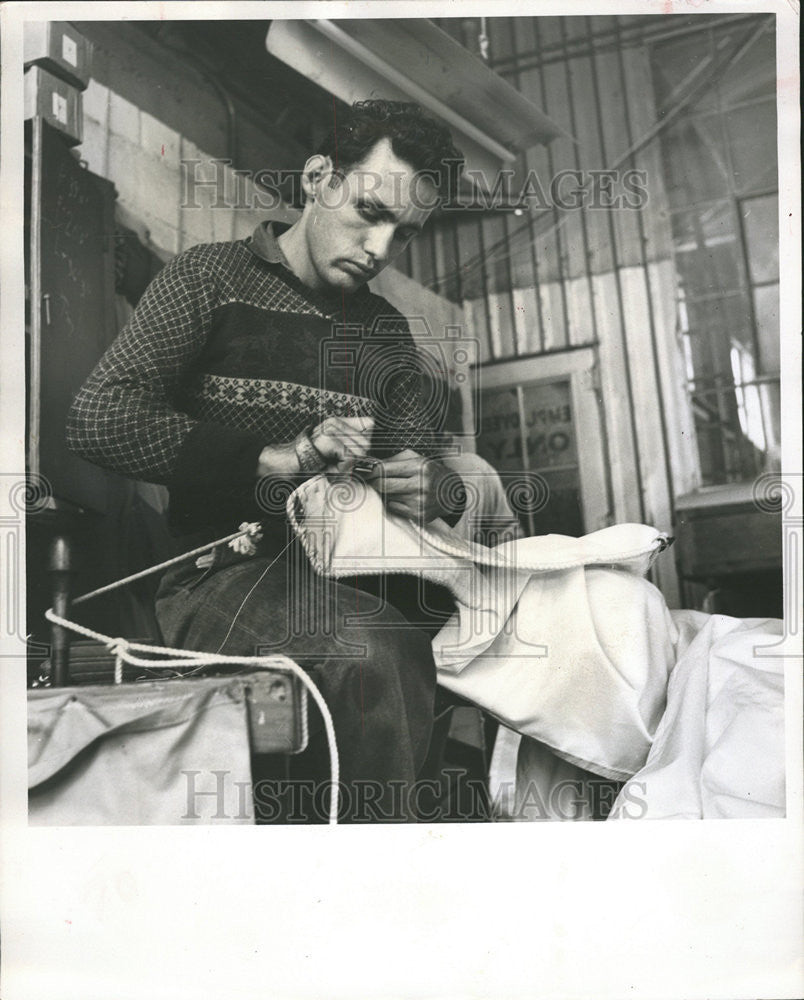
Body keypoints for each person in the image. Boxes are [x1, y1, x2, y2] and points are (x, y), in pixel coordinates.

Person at [66, 100, 467, 823]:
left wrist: (432, 485)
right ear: (318, 178)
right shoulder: (207, 279)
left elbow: (431, 472)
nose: (379, 247)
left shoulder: (383, 330)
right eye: (369, 211)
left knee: (508, 638)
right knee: (373, 647)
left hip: (357, 575)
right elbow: (98, 418)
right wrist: (269, 458)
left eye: (402, 234)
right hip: (218, 574)